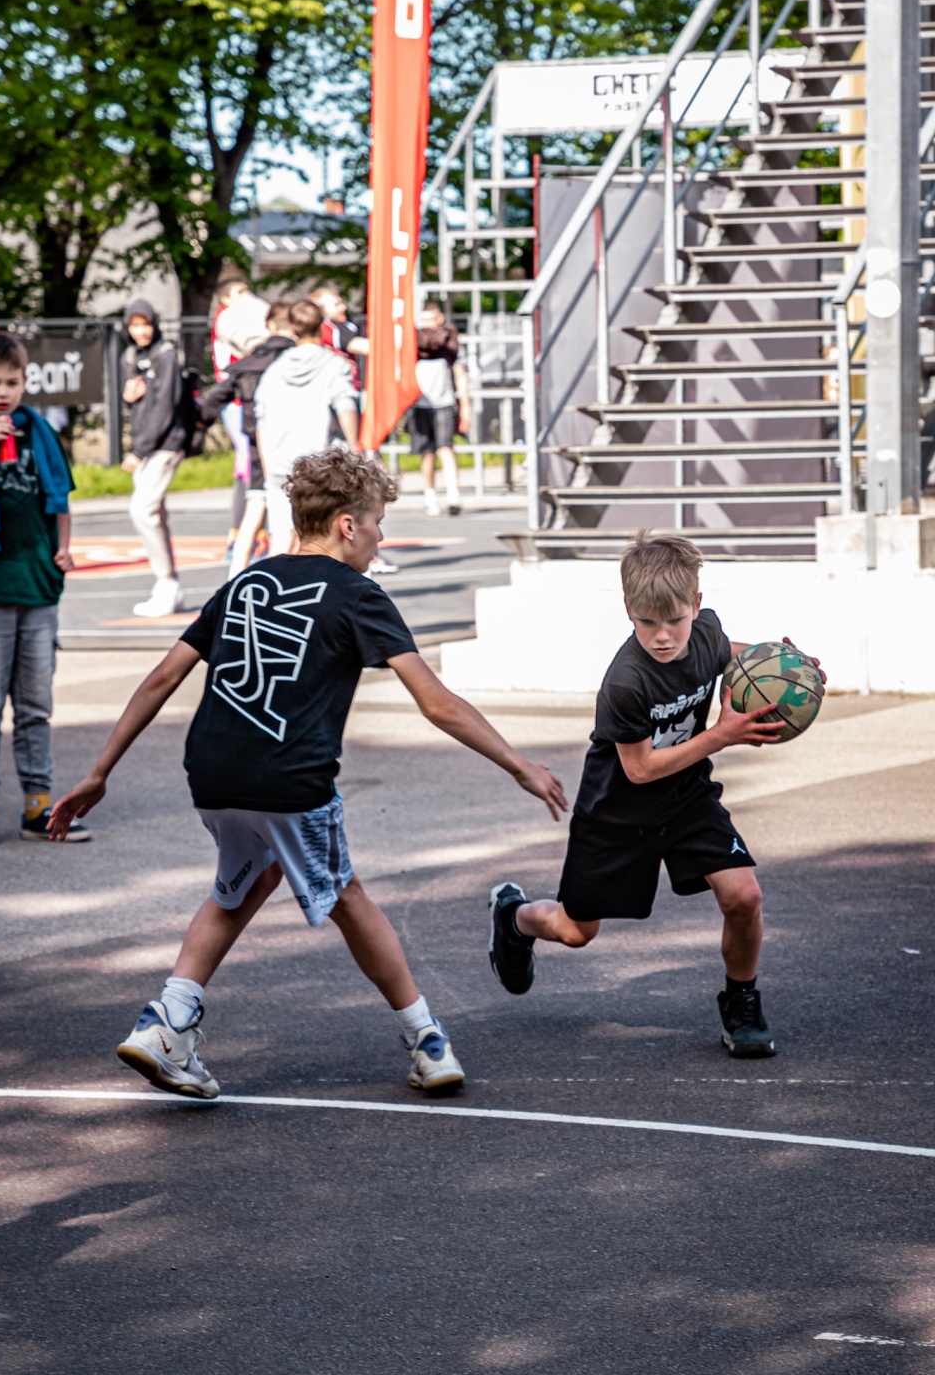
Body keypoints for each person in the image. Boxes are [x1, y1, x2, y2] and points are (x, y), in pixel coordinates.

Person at [49, 447, 567, 1099]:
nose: (379, 540)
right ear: (348, 525)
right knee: (347, 896)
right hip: (289, 782)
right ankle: (427, 1041)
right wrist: (518, 764)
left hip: (212, 776)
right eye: (377, 524)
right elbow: (436, 702)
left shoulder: (245, 583)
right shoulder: (359, 594)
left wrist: (99, 773)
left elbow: (161, 678)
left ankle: (167, 1020)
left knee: (245, 882)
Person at [486, 532, 826, 1060]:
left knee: (744, 897)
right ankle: (515, 916)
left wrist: (789, 666)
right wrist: (721, 735)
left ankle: (741, 1003)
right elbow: (640, 769)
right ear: (628, 609)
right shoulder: (626, 682)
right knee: (576, 931)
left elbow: (733, 656)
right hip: (616, 813)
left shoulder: (706, 634)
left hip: (686, 797)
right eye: (647, 622)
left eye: (675, 621)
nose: (662, 636)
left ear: (696, 604)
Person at [0, 334, 90, 849]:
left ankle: (38, 803)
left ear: (25, 382)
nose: (2, 392)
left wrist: (63, 548)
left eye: (11, 383)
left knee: (36, 704)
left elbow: (59, 497)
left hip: (38, 584)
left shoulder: (38, 431)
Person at [254, 299, 359, 555]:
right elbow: (345, 406)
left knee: (281, 539)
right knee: (326, 539)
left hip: (281, 461)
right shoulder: (334, 364)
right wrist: (355, 446)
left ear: (292, 329)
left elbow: (262, 419)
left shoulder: (275, 369)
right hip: (320, 464)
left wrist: (268, 466)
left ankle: (277, 581)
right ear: (321, 326)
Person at [202, 300, 297, 579]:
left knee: (256, 505)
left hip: (257, 444)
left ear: (269, 325)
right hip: (291, 442)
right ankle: (280, 578)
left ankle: (236, 573)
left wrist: (198, 424)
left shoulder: (249, 363)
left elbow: (214, 399)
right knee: (290, 516)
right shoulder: (298, 358)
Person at [120, 300, 190, 618]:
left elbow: (165, 407)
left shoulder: (166, 355)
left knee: (142, 510)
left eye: (146, 323)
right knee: (155, 514)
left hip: (165, 444)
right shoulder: (131, 356)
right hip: (147, 445)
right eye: (135, 325)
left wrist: (139, 451)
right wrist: (127, 398)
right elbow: (137, 404)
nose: (141, 331)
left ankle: (166, 582)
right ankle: (169, 585)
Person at [211, 278, 271, 553]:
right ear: (225, 299)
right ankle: (242, 534)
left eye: (247, 290)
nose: (246, 295)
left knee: (254, 463)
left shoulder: (245, 314)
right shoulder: (229, 320)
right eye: (239, 292)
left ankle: (252, 531)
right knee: (249, 464)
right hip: (238, 401)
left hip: (247, 398)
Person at [407, 302, 471, 517]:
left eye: (430, 320)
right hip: (420, 404)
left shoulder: (450, 346)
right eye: (423, 321)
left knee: (446, 448)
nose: (427, 326)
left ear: (439, 319)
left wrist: (465, 406)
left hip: (444, 402)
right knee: (427, 452)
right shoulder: (415, 345)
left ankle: (453, 495)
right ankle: (430, 496)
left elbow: (460, 374)